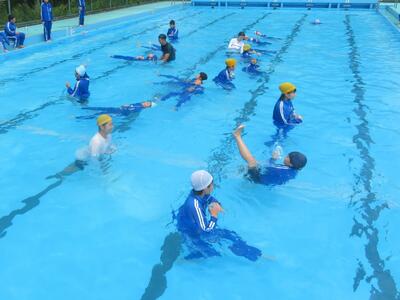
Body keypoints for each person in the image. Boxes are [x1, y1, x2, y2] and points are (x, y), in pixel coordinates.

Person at [176, 170, 261, 260]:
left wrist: (217, 204)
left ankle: (253, 254)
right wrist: (214, 215)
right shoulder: (195, 206)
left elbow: (209, 198)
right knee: (214, 254)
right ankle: (188, 259)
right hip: (190, 231)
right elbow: (205, 233)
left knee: (230, 235)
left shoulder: (198, 193)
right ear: (205, 188)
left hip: (192, 222)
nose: (213, 186)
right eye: (212, 184)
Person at [233, 124, 307, 185]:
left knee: (252, 161)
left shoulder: (282, 169)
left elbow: (266, 166)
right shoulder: (294, 170)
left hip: (258, 179)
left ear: (291, 164)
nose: (285, 156)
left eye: (288, 157)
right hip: (266, 181)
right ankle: (243, 172)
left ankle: (237, 136)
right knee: (254, 164)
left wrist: (273, 159)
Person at [77, 101, 155, 119]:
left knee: (99, 114)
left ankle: (80, 117)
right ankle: (83, 107)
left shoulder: (139, 108)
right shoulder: (139, 104)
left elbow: (131, 114)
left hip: (118, 113)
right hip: (117, 109)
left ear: (147, 107)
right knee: (100, 108)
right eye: (147, 102)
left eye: (148, 104)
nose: (145, 103)